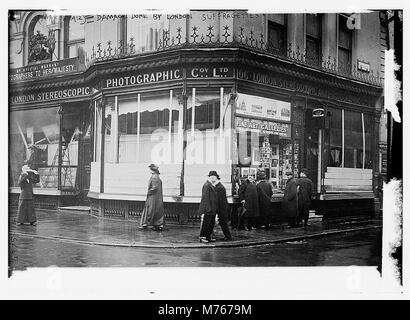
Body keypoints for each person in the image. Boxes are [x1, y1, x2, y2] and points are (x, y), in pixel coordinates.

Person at [139, 164, 165, 231]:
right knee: (155, 209)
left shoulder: (154, 177)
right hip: (157, 197)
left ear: (152, 170)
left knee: (150, 209)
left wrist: (149, 192)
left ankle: (148, 223)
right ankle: (156, 223)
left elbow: (154, 188)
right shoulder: (157, 177)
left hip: (153, 197)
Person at [198, 171, 218, 243]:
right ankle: (202, 237)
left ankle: (208, 236)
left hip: (212, 208)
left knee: (211, 223)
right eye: (212, 177)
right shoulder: (207, 185)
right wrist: (208, 208)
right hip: (208, 209)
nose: (214, 178)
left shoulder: (210, 185)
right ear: (209, 177)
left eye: (215, 177)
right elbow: (205, 197)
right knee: (206, 223)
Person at [214, 175, 233, 241]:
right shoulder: (220, 186)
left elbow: (219, 200)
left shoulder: (219, 188)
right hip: (223, 208)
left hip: (222, 208)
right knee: (223, 223)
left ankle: (228, 237)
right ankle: (227, 236)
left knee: (223, 223)